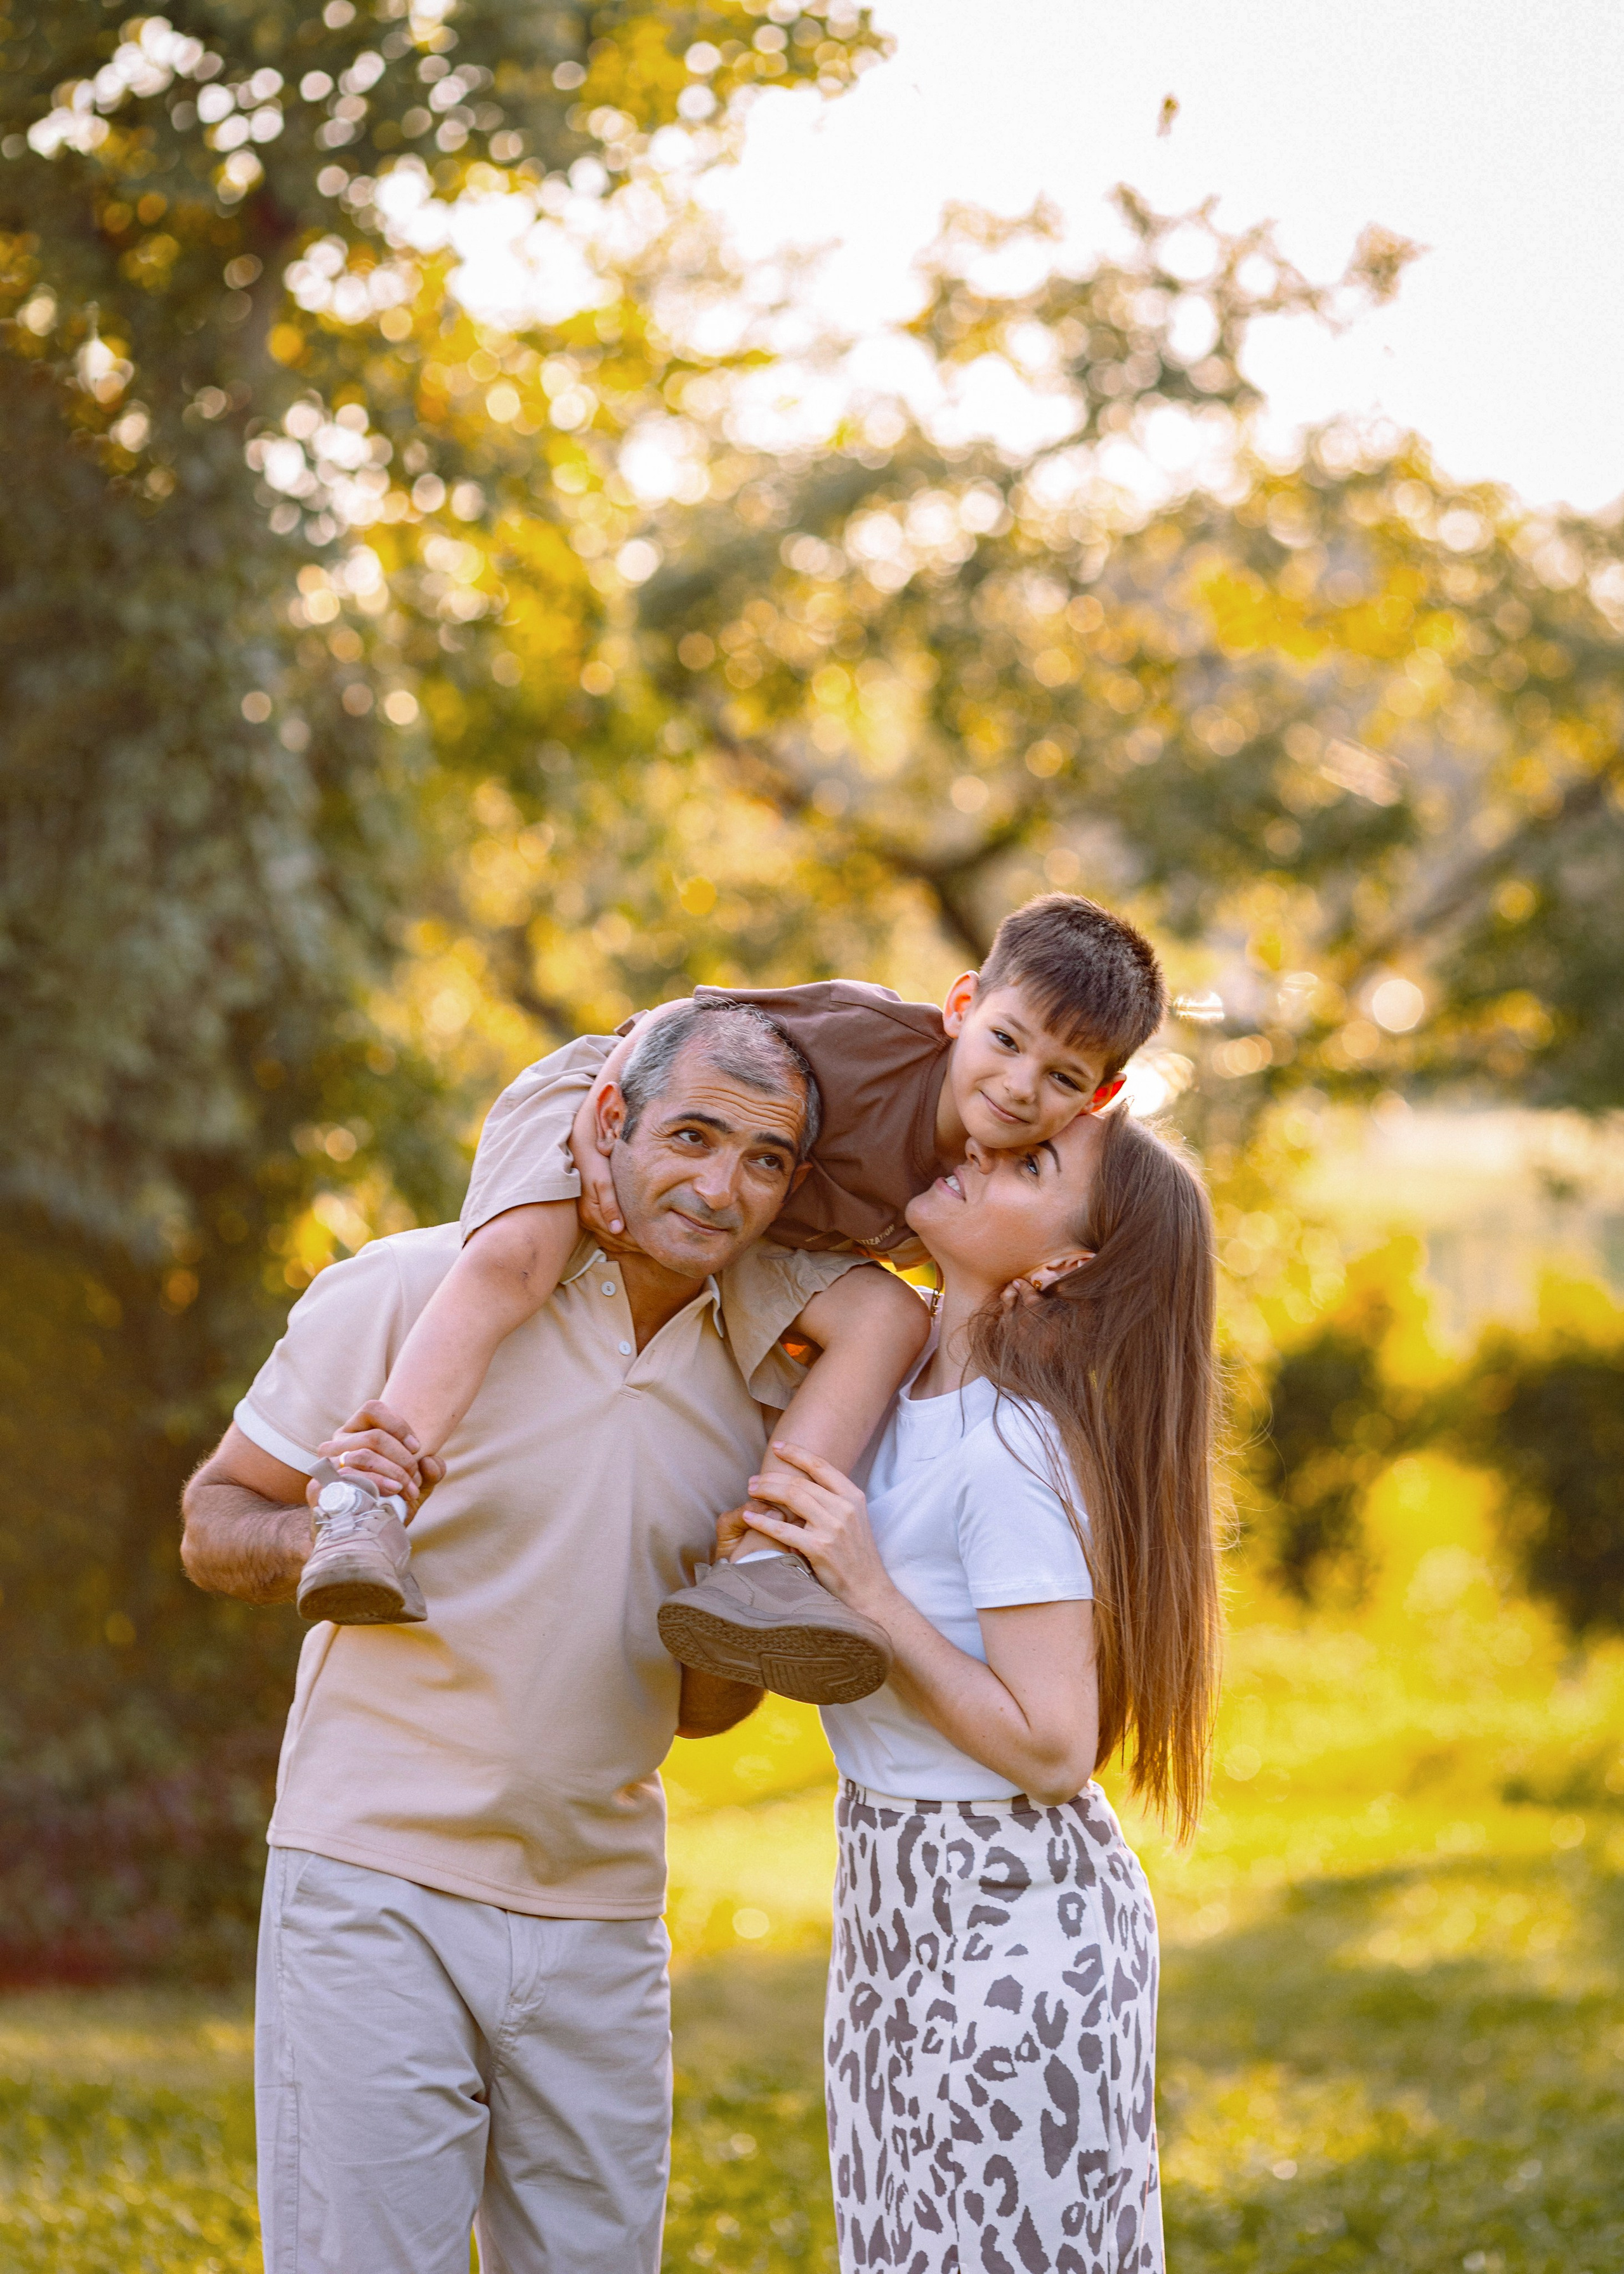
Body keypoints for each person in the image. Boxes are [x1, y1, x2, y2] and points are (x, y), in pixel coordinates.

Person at [178, 1002, 893, 2274]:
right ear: (605, 1120)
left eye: (765, 1158)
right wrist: (342, 1532)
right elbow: (212, 1520)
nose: (720, 1185)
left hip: (600, 1917)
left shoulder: (772, 1387)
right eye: (691, 1135)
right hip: (372, 1887)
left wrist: (739, 1598)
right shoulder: (411, 1289)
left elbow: (698, 1710)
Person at [303, 893, 1168, 1716]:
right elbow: (663, 1032)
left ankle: (763, 1558)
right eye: (1006, 1040)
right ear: (961, 1005)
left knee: (891, 1319)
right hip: (628, 1105)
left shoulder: (984, 1177)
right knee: (518, 1261)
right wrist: (597, 1148)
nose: (1020, 1086)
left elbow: (986, 1283)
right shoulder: (869, 1038)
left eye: (1060, 1077)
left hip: (734, 1225)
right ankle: (367, 1495)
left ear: (1098, 1098)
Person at [737, 1104, 1222, 2274]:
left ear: (1066, 1263)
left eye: (1030, 1163)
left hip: (1012, 1919)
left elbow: (1057, 1750)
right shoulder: (893, 1401)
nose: (976, 1151)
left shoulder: (1011, 1446)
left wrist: (870, 1593)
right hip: (897, 1899)